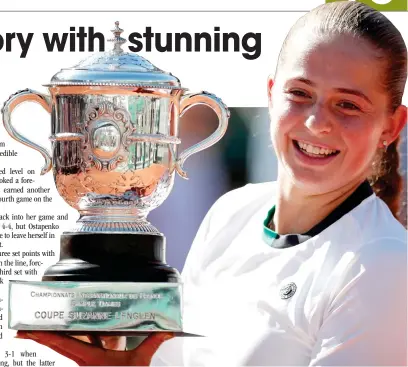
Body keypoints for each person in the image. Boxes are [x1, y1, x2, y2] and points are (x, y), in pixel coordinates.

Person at [16, 1, 408, 365]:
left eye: (348, 104)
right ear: (271, 94)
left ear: (392, 126)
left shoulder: (383, 265)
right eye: (300, 93)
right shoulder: (231, 213)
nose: (315, 122)